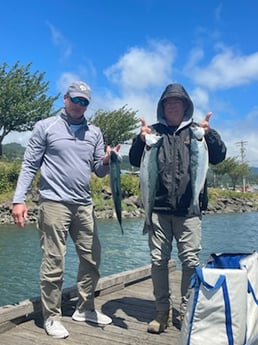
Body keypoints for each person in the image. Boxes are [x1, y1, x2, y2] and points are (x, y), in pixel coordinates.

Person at [12, 81, 119, 339]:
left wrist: (107, 160)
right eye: (76, 99)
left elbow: (99, 170)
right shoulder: (45, 126)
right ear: (65, 98)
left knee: (92, 258)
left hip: (83, 204)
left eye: (85, 102)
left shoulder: (94, 132)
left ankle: (85, 308)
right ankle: (51, 316)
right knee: (54, 262)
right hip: (53, 203)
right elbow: (29, 165)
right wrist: (19, 200)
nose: (80, 105)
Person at [129, 83, 226, 334]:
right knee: (158, 261)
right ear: (162, 106)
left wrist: (210, 134)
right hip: (158, 209)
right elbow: (132, 159)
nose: (172, 106)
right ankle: (162, 311)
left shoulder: (196, 132)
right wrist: (140, 140)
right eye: (168, 102)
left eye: (177, 102)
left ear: (185, 106)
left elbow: (219, 157)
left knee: (191, 261)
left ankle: (185, 310)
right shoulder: (155, 131)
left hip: (189, 210)